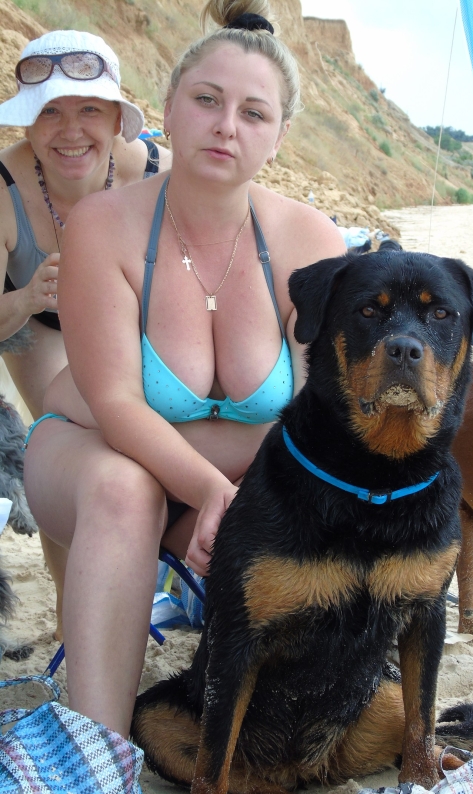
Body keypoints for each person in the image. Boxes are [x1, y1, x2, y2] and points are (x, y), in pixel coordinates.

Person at [23, 0, 346, 739]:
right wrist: (209, 487)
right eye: (207, 100)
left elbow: (325, 415)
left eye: (253, 113)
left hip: (237, 479)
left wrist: (236, 490)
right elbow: (116, 404)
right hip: (91, 452)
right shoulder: (105, 225)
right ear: (168, 110)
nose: (227, 126)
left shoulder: (309, 240)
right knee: (124, 488)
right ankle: (98, 754)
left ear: (279, 137)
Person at [0, 29, 172, 640]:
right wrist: (28, 296)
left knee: (150, 432)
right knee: (62, 436)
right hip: (36, 322)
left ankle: (158, 574)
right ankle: (70, 606)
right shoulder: (3, 190)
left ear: (118, 119)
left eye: (90, 110)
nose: (70, 131)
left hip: (137, 314)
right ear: (27, 122)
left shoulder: (158, 172)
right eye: (50, 112)